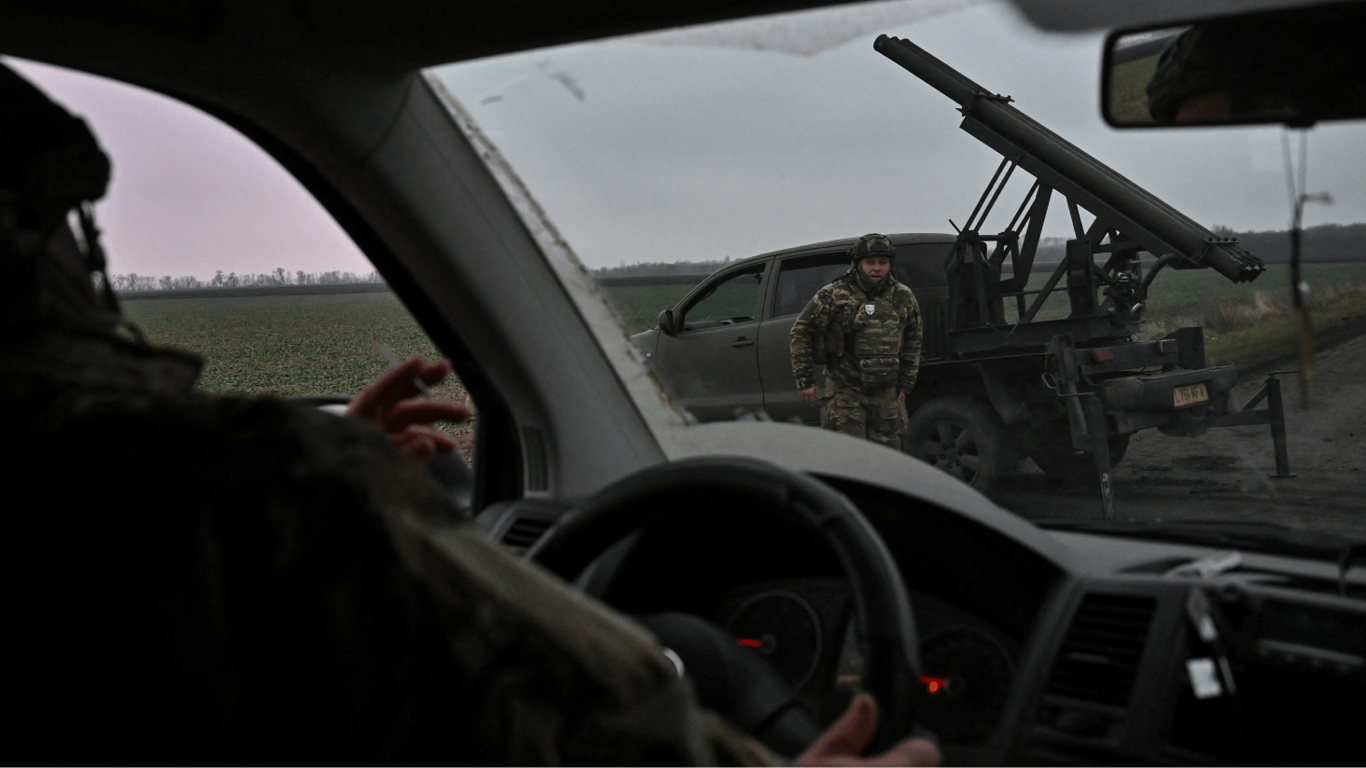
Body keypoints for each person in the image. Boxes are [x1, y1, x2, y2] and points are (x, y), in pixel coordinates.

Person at [0, 63, 940, 767]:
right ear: (47, 239)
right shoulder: (229, 494)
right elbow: (583, 721)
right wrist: (309, 491)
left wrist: (321, 473)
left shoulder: (157, 490)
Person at [790, 234, 922, 450]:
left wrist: (906, 385)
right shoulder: (835, 294)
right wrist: (805, 379)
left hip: (886, 392)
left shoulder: (902, 296)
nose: (877, 268)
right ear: (859, 263)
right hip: (845, 390)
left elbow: (913, 339)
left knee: (888, 459)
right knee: (849, 459)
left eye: (882, 262)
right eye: (870, 262)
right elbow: (801, 330)